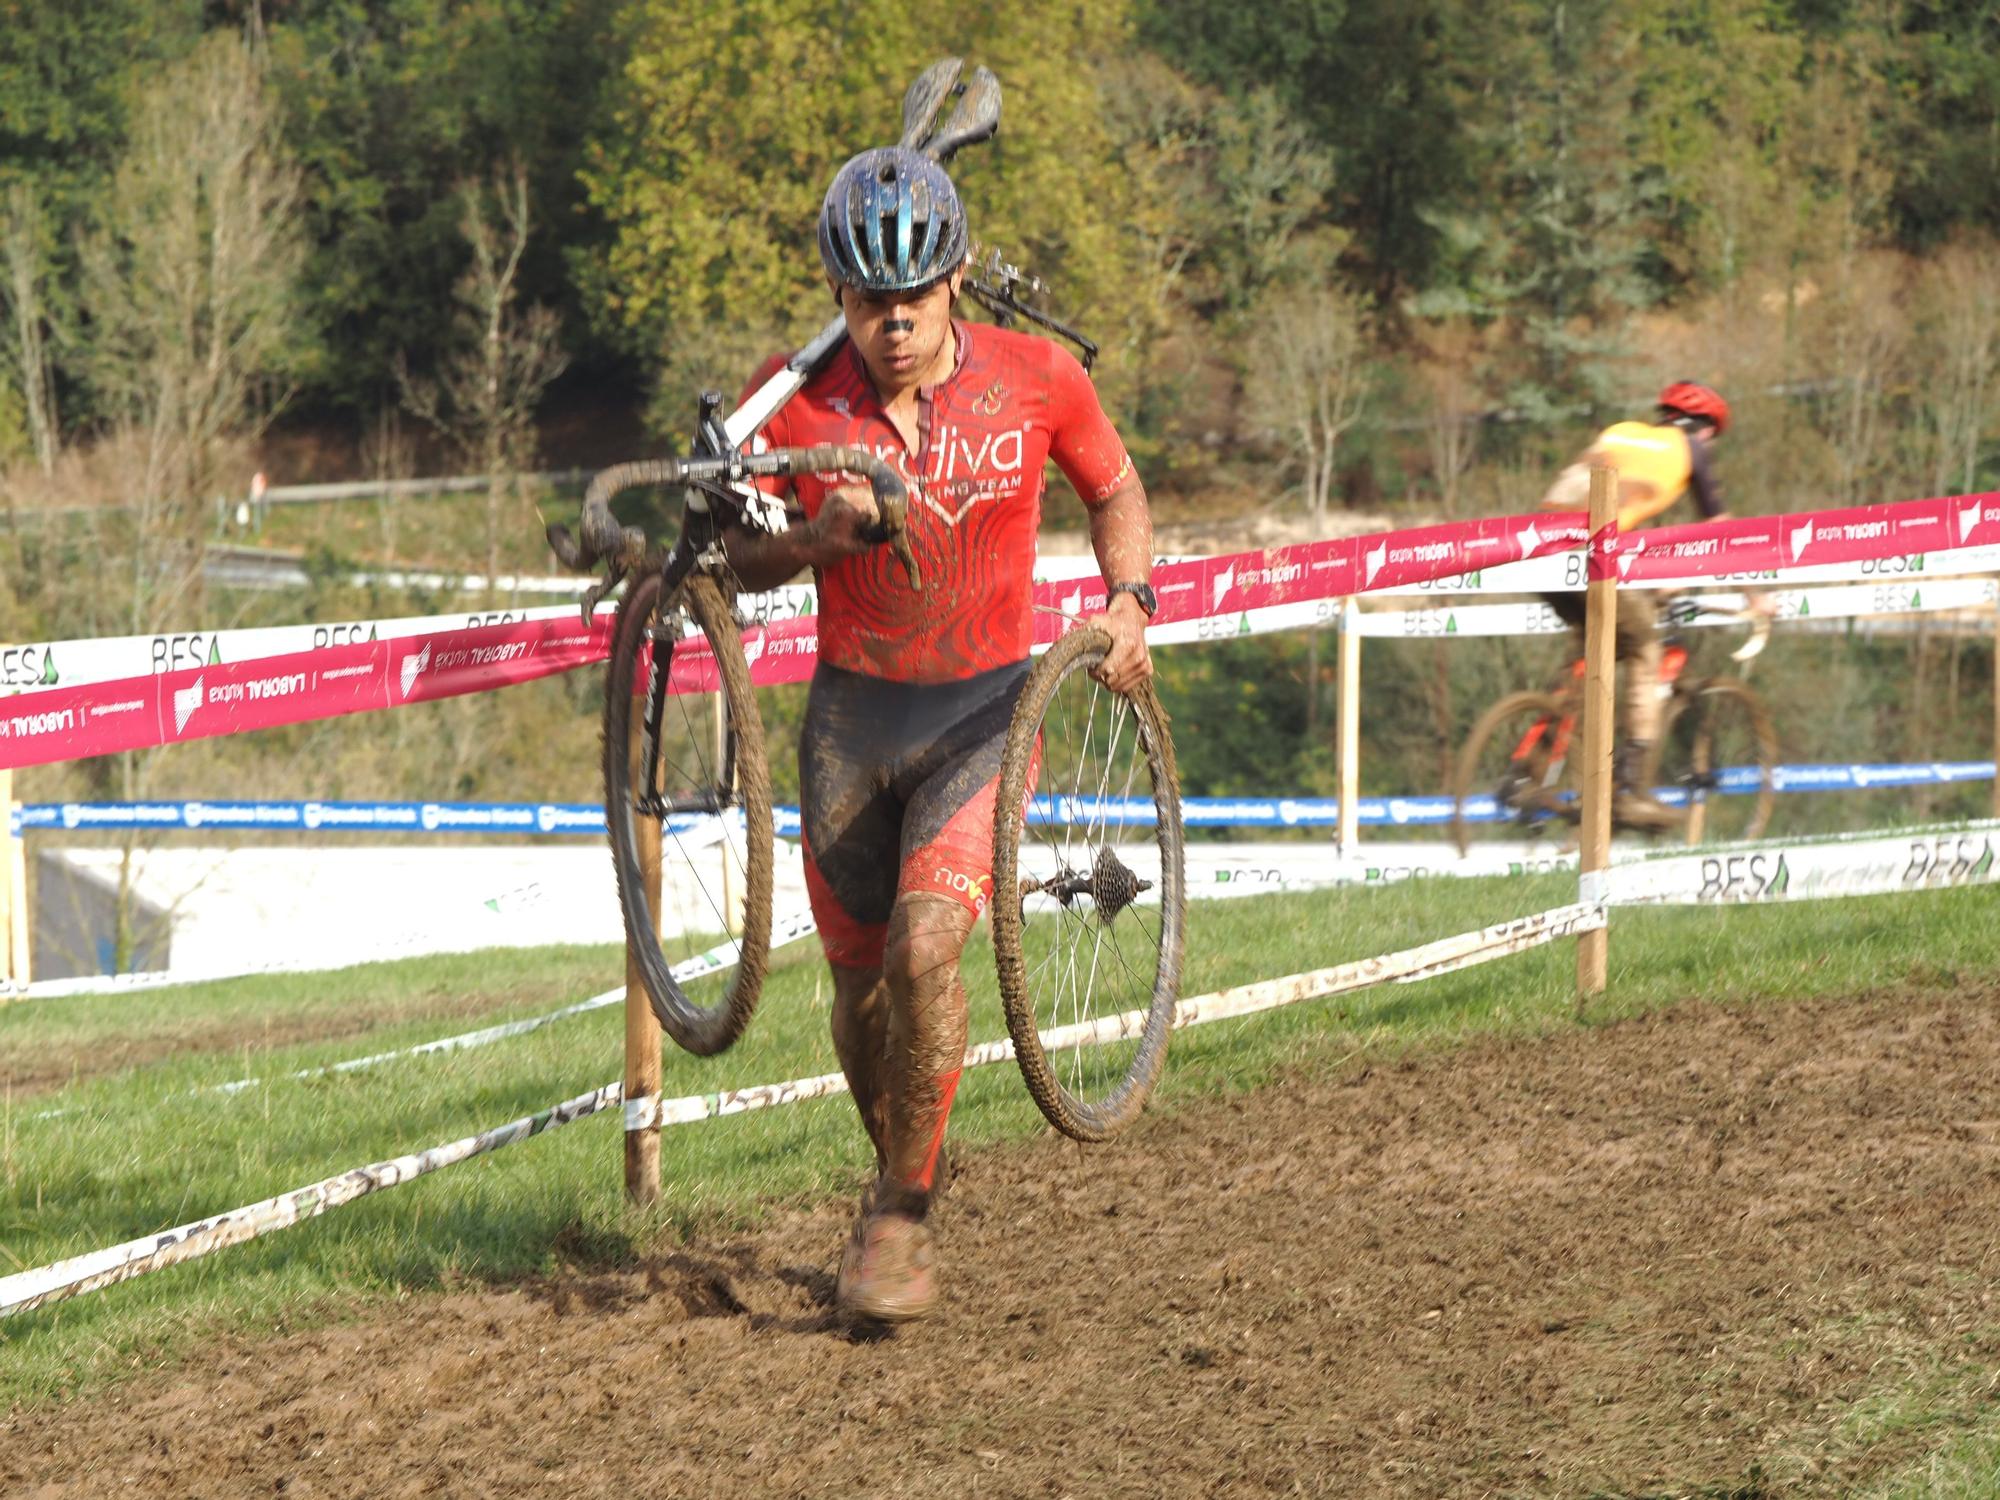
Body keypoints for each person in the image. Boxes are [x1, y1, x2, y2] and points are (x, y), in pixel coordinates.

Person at [721, 146, 1158, 1323]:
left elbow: (1113, 490)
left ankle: (899, 1217)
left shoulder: (1038, 377)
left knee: (926, 953)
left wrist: (1127, 602)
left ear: (956, 279)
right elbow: (731, 552)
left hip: (978, 716)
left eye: (913, 300)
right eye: (869, 303)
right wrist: (818, 541)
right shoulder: (792, 400)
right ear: (837, 295)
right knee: (862, 997)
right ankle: (904, 1168)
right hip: (847, 725)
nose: (894, 326)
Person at [1538, 380, 1734, 830]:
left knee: (1591, 652)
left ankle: (1531, 762)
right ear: (1703, 429)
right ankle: (1628, 793)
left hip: (1541, 549)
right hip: (1588, 556)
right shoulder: (1690, 450)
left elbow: (1610, 513)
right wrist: (1755, 595)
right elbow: (1721, 528)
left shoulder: (1623, 433)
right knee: (1646, 646)